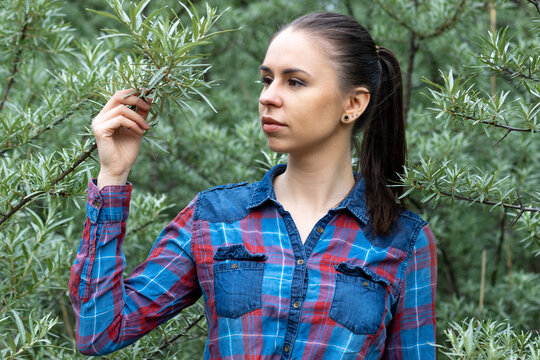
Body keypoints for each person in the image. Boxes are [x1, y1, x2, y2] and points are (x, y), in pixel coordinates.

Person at [69, 11, 437, 359]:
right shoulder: (213, 218)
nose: (268, 97)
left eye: (294, 81)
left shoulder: (404, 240)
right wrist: (112, 175)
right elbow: (98, 330)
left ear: (353, 103)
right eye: (266, 79)